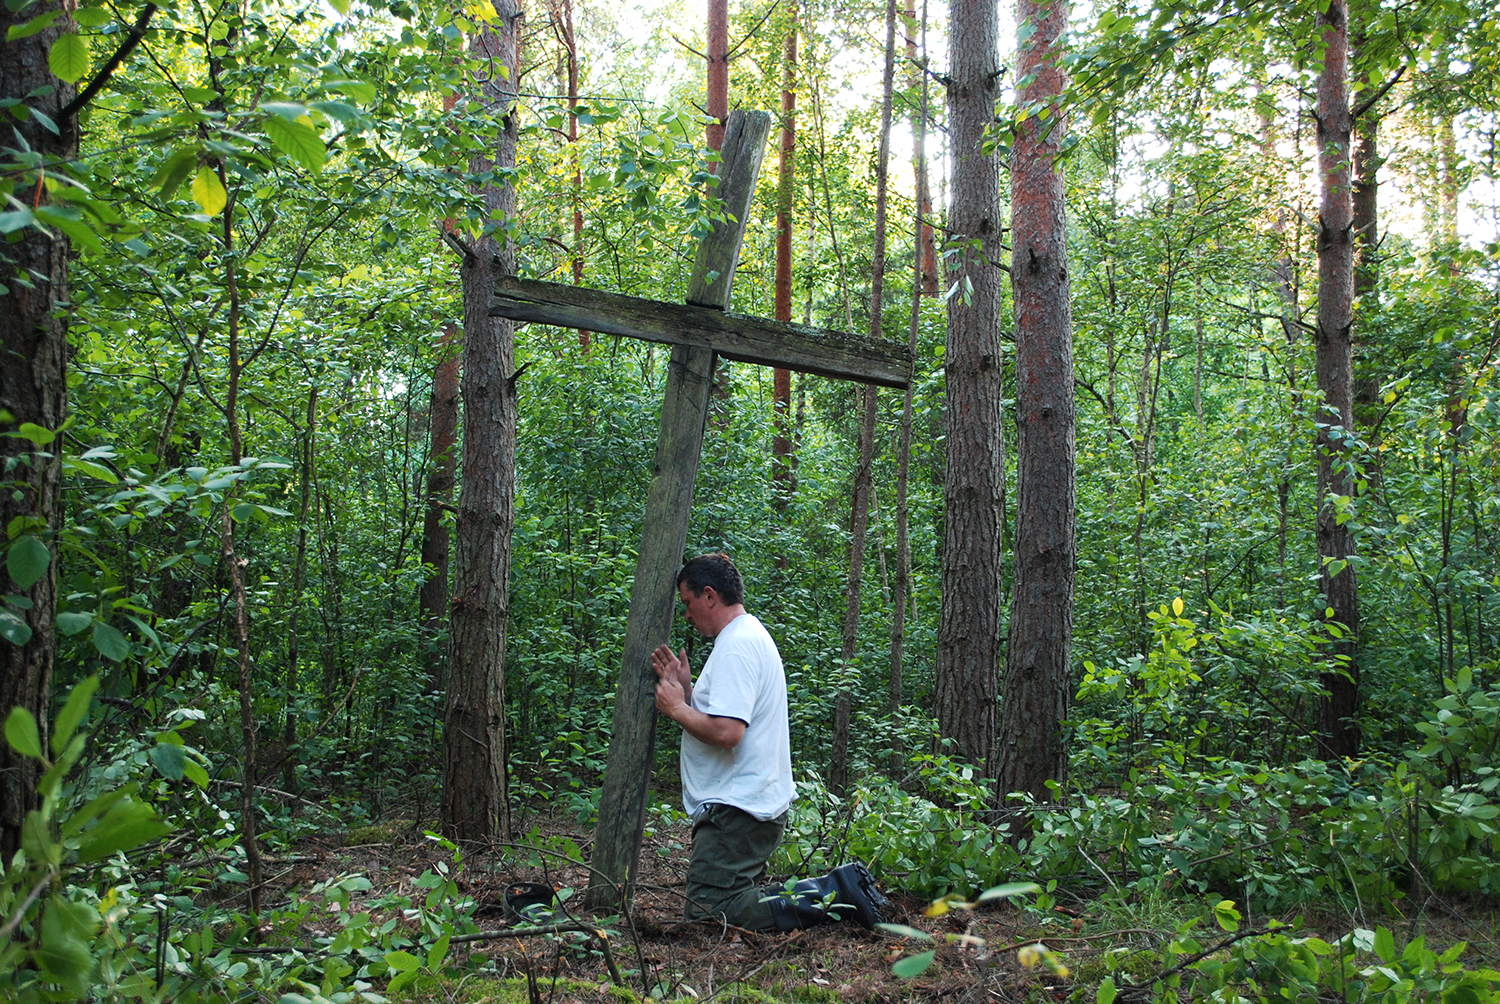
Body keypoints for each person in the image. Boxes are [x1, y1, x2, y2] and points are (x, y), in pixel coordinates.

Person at [651, 553, 890, 932]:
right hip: (744, 804)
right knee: (720, 904)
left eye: (688, 603)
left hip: (737, 809)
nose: (686, 615)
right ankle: (835, 894)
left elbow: (729, 733)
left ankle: (838, 892)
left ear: (710, 595)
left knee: (708, 912)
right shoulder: (745, 637)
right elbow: (726, 717)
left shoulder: (737, 646)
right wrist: (687, 691)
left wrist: (676, 708)